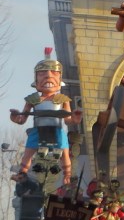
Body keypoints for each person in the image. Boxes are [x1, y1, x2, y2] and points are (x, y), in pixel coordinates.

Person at [10, 53, 82, 185]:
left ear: (60, 78)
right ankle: (22, 173)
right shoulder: (32, 99)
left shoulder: (63, 99)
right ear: (36, 79)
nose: (49, 76)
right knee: (28, 151)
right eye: (43, 73)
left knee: (65, 152)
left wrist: (75, 119)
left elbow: (67, 119)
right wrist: (14, 117)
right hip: (38, 130)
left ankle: (67, 175)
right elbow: (22, 119)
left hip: (57, 130)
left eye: (54, 73)